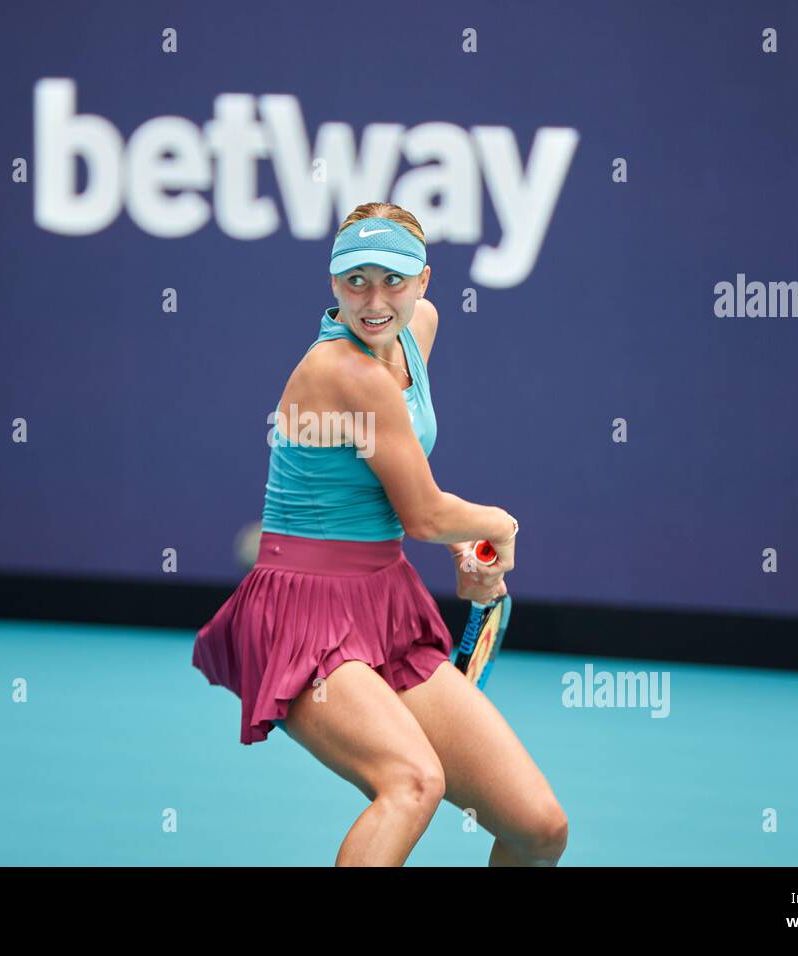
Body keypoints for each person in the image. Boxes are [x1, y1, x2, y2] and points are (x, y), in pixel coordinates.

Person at [192, 202, 568, 866]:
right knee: (411, 783)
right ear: (333, 284)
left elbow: (399, 491)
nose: (373, 300)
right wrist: (494, 525)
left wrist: (464, 553)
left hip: (383, 602)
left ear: (425, 280)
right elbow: (424, 516)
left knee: (537, 828)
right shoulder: (342, 371)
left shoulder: (418, 328)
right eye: (354, 280)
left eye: (392, 280)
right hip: (301, 611)